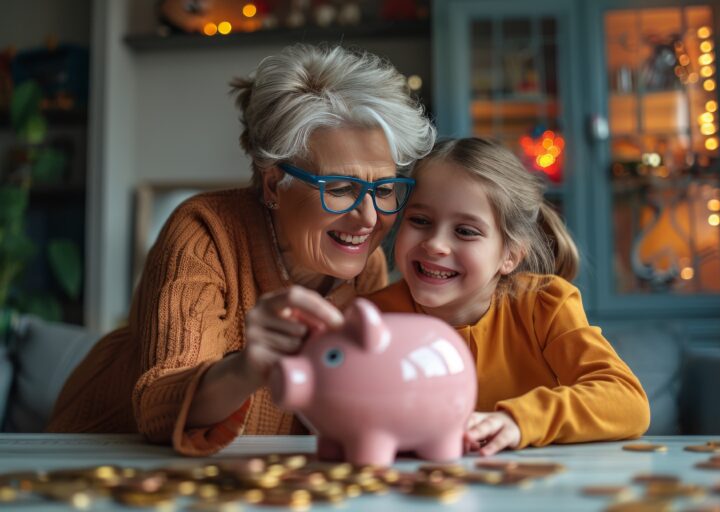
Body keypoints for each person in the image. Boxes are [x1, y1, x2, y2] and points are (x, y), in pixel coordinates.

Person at [47, 44, 436, 456]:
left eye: (385, 189)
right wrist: (249, 366)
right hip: (97, 453)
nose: (370, 219)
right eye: (340, 189)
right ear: (273, 185)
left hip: (249, 473)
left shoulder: (366, 268)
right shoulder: (205, 232)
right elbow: (158, 408)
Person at [367, 137, 650, 455]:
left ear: (510, 256)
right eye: (420, 221)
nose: (435, 244)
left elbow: (628, 402)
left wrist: (520, 421)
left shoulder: (544, 305)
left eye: (465, 231)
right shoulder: (375, 319)